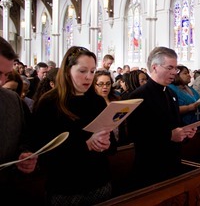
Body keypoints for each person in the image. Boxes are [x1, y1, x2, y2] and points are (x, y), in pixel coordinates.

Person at [32, 46, 116, 205]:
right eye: (82, 71)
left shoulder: (97, 101)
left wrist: (107, 143)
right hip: (66, 187)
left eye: (92, 71)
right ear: (67, 71)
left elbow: (112, 145)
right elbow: (44, 151)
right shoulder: (49, 102)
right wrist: (87, 145)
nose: (88, 77)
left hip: (99, 181)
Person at [126, 46, 197, 189]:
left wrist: (185, 133)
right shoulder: (138, 96)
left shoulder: (171, 94)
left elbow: (174, 126)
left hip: (172, 164)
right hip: (150, 168)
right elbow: (136, 134)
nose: (174, 73)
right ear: (155, 67)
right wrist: (169, 136)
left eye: (175, 69)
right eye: (169, 68)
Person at [0, 36, 37, 203]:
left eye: (6, 75)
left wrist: (24, 155)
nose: (1, 81)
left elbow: (24, 138)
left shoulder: (12, 101)